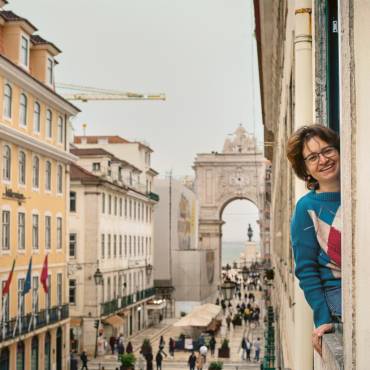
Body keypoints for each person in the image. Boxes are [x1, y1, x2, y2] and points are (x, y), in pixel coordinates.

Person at [287, 124, 341, 355]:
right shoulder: (306, 208)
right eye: (312, 157)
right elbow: (306, 269)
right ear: (306, 169)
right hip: (337, 296)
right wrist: (322, 317)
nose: (323, 160)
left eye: (328, 150)